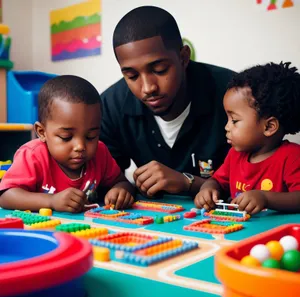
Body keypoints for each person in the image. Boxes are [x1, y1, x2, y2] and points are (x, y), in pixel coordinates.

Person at [100, 6, 235, 198]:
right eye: (132, 76)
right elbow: (100, 178)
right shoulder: (110, 106)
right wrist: (120, 189)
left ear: (183, 57)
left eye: (160, 69)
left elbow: (256, 187)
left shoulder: (233, 95)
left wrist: (187, 182)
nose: (148, 88)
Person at [0, 75, 135, 212]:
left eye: (91, 136)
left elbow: (122, 182)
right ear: (42, 132)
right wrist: (51, 201)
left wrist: (120, 191)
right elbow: (6, 196)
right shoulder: (33, 155)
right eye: (66, 137)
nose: (80, 146)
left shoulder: (100, 153)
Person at [194, 62, 300, 214]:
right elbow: (216, 180)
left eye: (234, 120)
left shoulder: (292, 157)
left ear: (269, 126)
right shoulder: (235, 155)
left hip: (276, 234)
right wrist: (208, 189)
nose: (226, 127)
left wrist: (266, 198)